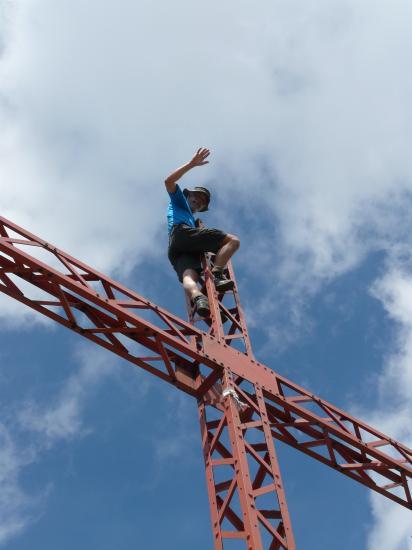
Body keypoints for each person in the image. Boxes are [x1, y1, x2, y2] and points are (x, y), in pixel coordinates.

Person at [165, 147, 240, 318]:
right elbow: (169, 182)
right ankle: (218, 274)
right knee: (233, 241)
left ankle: (198, 297)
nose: (198, 201)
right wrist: (191, 164)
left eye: (202, 202)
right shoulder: (179, 201)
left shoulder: (191, 217)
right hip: (182, 233)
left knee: (189, 276)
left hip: (176, 248)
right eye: (197, 196)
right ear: (188, 195)